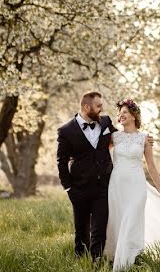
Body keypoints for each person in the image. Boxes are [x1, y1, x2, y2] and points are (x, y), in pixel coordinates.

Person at [105, 98, 160, 271]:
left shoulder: (145, 138)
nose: (121, 116)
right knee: (117, 221)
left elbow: (151, 166)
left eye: (125, 113)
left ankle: (124, 263)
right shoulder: (114, 137)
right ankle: (114, 258)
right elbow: (96, 152)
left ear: (134, 116)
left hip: (137, 186)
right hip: (116, 186)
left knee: (131, 220)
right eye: (120, 113)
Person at [56, 91, 116, 261]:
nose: (101, 109)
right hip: (79, 189)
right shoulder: (66, 130)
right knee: (81, 231)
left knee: (99, 230)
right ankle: (80, 263)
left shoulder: (105, 122)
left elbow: (121, 138)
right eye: (98, 106)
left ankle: (96, 263)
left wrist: (141, 139)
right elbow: (61, 162)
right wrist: (68, 188)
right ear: (86, 107)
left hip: (103, 188)